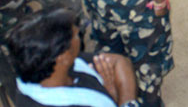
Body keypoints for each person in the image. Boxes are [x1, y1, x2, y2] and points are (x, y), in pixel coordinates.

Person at [6, 6, 139, 107]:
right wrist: (117, 98)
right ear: (62, 56)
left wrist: (114, 98)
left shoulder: (49, 68)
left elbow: (121, 62)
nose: (80, 37)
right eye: (76, 35)